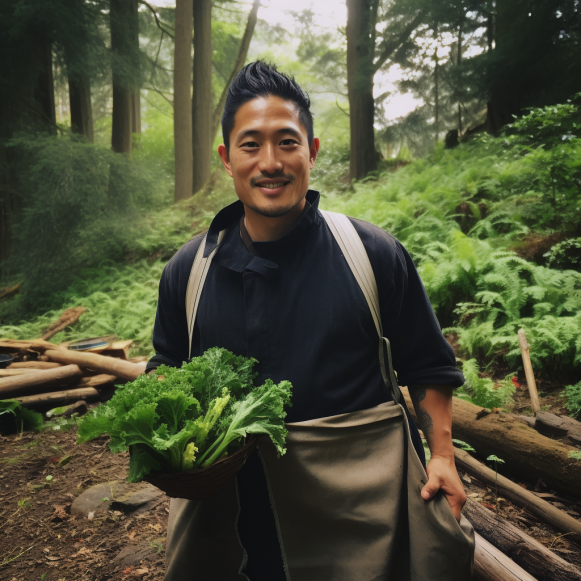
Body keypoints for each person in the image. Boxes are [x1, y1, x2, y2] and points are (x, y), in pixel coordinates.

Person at [147, 61, 471, 580]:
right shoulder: (188, 272)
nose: (270, 162)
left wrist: (442, 458)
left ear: (312, 152)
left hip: (363, 523)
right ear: (227, 159)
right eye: (251, 145)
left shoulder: (371, 254)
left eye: (287, 142)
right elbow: (164, 366)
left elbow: (427, 364)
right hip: (230, 527)